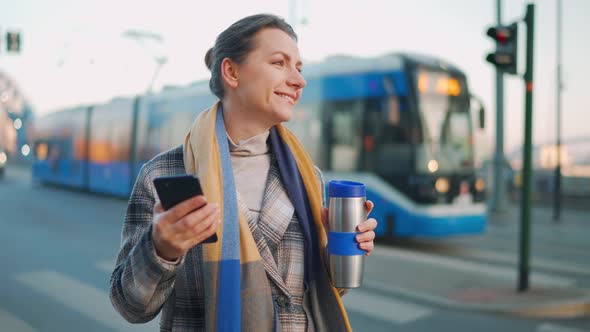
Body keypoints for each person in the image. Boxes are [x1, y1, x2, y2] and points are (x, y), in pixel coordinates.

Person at [109, 13, 377, 332]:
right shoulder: (165, 173)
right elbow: (131, 306)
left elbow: (320, 294)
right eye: (279, 63)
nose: (299, 80)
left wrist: (341, 248)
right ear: (231, 72)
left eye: (299, 68)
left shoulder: (309, 178)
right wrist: (161, 249)